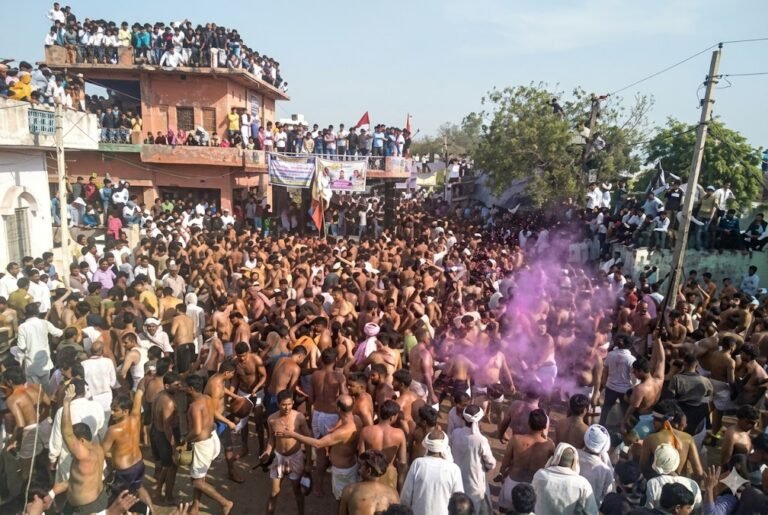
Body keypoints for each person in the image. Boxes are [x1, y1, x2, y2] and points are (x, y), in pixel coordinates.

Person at [276, 394, 361, 501]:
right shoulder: (356, 419)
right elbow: (344, 419)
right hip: (350, 464)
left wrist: (293, 434)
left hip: (342, 471)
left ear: (339, 408)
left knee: (342, 498)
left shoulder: (342, 432)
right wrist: (335, 428)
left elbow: (318, 444)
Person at [180, 374, 233, 514]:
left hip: (202, 445)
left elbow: (197, 431)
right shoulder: (207, 398)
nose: (183, 389)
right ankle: (195, 507)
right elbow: (214, 414)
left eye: (185, 387)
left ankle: (225, 503)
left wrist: (184, 440)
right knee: (200, 477)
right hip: (212, 439)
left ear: (191, 389)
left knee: (196, 482)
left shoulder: (195, 406)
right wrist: (228, 422)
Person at [101, 389, 154, 511]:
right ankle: (152, 512)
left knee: (119, 499)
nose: (112, 413)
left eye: (115, 410)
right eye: (112, 409)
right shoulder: (136, 418)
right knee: (139, 488)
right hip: (139, 464)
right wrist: (140, 390)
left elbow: (101, 452)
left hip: (124, 471)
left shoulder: (113, 430)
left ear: (125, 411)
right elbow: (138, 398)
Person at [261, 389, 311, 515]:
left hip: (296, 457)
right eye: (284, 404)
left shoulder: (299, 417)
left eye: (289, 404)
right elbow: (271, 438)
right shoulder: (272, 419)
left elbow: (308, 440)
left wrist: (308, 462)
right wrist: (267, 451)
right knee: (274, 493)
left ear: (293, 403)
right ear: (278, 404)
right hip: (279, 457)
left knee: (297, 491)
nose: (287, 407)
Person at [498, 408, 554, 511]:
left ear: (528, 423)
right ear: (545, 426)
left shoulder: (516, 439)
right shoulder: (550, 445)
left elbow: (506, 461)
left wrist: (501, 474)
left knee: (506, 510)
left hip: (512, 483)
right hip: (532, 490)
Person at [400, 429, 464, 515]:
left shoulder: (418, 464)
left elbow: (405, 498)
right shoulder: (454, 469)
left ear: (427, 445)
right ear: (445, 446)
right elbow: (459, 503)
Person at [450, 405, 496, 515]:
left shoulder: (456, 433)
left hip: (457, 480)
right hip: (475, 483)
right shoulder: (481, 440)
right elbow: (491, 463)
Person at [531, 442, 599, 515]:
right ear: (574, 462)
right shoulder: (582, 484)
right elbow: (592, 512)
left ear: (556, 457)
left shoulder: (540, 475)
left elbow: (530, 500)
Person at [149, 371, 181, 505]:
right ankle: (168, 497)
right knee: (172, 467)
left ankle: (157, 492)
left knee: (166, 466)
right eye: (176, 385)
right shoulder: (168, 403)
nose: (179, 387)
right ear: (167, 386)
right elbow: (167, 427)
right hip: (166, 437)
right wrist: (173, 447)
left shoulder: (159, 395)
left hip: (156, 432)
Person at [339, 450, 400, 515]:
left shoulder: (350, 490)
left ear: (368, 471)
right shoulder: (393, 494)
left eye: (360, 466)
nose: (358, 469)